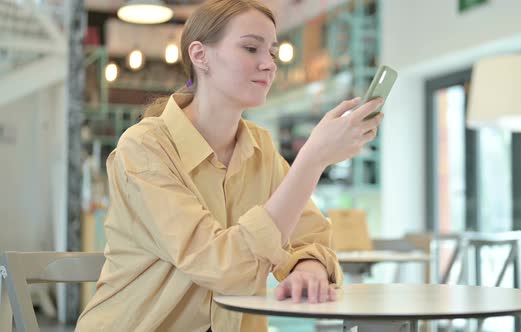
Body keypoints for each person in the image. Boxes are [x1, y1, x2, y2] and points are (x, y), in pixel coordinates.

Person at [76, 0, 384, 331]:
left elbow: (312, 237)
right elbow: (219, 266)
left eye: (273, 53)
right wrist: (312, 159)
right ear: (200, 55)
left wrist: (307, 267)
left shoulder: (261, 147)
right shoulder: (144, 148)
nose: (268, 64)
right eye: (251, 48)